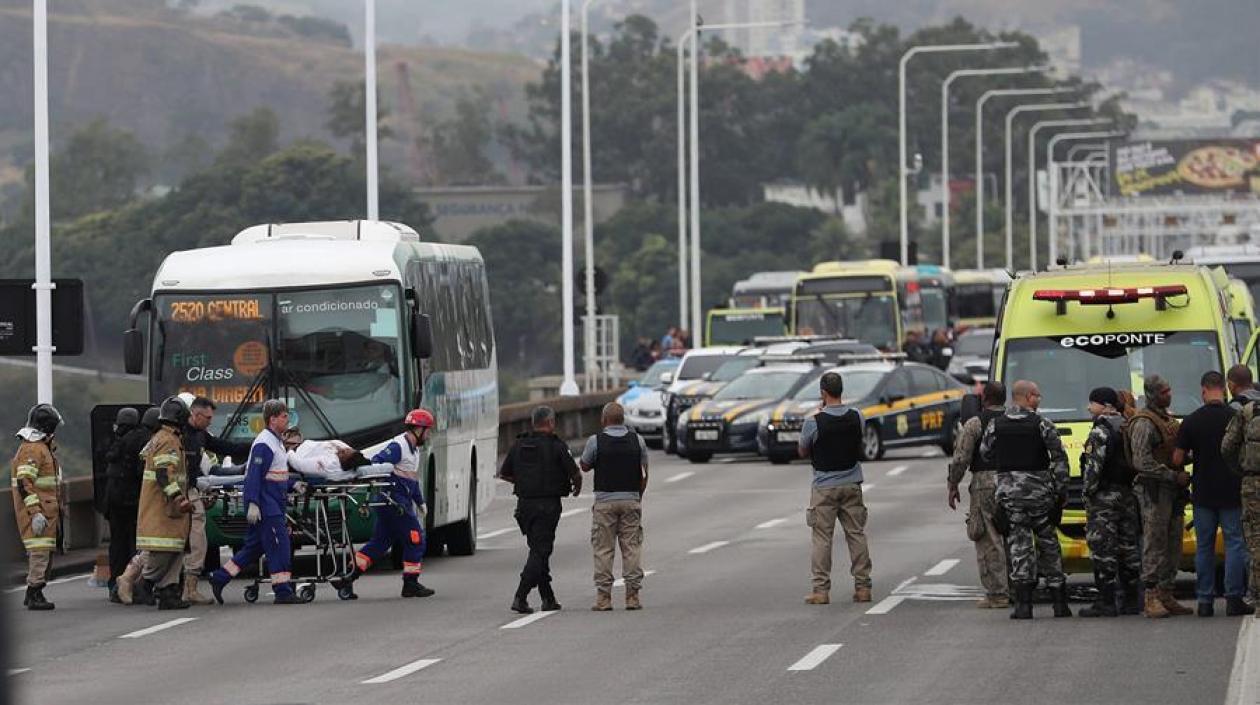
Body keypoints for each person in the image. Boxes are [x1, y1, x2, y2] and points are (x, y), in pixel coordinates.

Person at [209, 400, 318, 605]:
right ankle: (283, 591)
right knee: (280, 545)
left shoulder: (275, 442)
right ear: (273, 419)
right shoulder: (264, 443)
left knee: (254, 547)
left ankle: (220, 577)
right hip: (267, 506)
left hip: (272, 502)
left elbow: (275, 475)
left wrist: (294, 485)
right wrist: (252, 503)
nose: (288, 420)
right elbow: (254, 476)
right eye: (285, 416)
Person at [979, 380, 1071, 619]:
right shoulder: (1042, 424)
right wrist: (1061, 492)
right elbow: (1060, 458)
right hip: (1041, 496)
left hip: (1011, 497)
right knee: (1049, 545)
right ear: (1029, 397)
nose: (1040, 400)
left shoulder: (995, 425)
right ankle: (1060, 604)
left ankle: (1024, 605)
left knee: (1020, 546)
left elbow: (985, 453)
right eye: (1038, 396)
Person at [1174, 371, 1253, 617]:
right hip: (1232, 491)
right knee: (1235, 544)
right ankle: (1233, 598)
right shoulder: (1236, 417)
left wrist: (1191, 457)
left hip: (1203, 494)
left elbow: (1177, 458)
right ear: (1225, 388)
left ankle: (1205, 601)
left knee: (1204, 547)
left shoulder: (1192, 421)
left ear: (1203, 390)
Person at [343, 409, 438, 600]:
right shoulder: (398, 446)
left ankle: (347, 577)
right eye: (427, 430)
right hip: (393, 503)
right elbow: (376, 464)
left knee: (379, 544)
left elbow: (411, 480)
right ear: (418, 429)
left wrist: (420, 502)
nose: (428, 434)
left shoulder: (414, 451)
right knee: (416, 540)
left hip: (398, 502)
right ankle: (411, 584)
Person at [498, 406, 582, 614]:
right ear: (551, 423)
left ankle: (548, 598)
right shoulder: (557, 446)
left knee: (538, 550)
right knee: (540, 551)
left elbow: (504, 473)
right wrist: (576, 489)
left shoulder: (519, 444)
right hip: (548, 506)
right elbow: (575, 474)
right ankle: (521, 595)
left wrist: (525, 482)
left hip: (525, 506)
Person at [799, 371, 873, 605]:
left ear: (823, 393)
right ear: (841, 391)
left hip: (824, 486)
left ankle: (820, 591)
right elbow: (858, 439)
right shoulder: (856, 416)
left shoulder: (814, 421)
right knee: (856, 534)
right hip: (852, 483)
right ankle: (863, 588)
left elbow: (802, 450)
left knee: (822, 539)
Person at [1126, 374, 1193, 618]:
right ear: (1153, 394)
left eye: (1169, 390)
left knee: (1173, 542)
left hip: (1173, 491)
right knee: (1154, 543)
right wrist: (1171, 476)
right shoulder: (1144, 423)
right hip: (1154, 490)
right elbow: (1141, 461)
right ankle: (1151, 595)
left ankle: (1167, 592)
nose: (1169, 394)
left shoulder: (1168, 420)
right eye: (1164, 391)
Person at [178, 394, 251, 605]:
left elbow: (224, 447)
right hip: (179, 492)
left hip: (190, 490)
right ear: (196, 414)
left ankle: (188, 588)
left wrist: (254, 445)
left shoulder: (200, 434)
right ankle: (133, 578)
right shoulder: (181, 435)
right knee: (176, 543)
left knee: (194, 541)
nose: (210, 422)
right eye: (208, 418)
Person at [1077, 387, 1142, 618]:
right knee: (1128, 547)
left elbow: (1094, 468)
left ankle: (1106, 601)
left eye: (1092, 403)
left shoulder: (1100, 430)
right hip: (1127, 493)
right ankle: (1132, 600)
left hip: (1104, 497)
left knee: (1103, 547)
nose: (1088, 408)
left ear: (1105, 405)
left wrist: (1087, 494)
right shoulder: (1127, 425)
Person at [580, 402, 649, 611]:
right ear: (623, 420)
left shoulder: (595, 441)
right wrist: (637, 497)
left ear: (604, 420)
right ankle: (632, 596)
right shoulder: (638, 441)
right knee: (631, 548)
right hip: (631, 500)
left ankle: (603, 598)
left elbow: (584, 465)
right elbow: (644, 473)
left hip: (604, 502)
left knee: (603, 549)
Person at [946, 381, 1009, 609]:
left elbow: (961, 458)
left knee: (988, 538)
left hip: (985, 483)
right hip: (1015, 481)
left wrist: (953, 485)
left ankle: (997, 594)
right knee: (1016, 536)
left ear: (985, 399)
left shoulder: (974, 424)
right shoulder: (1015, 419)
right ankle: (1021, 587)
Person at [135, 397, 196, 610]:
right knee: (163, 551)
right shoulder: (168, 441)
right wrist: (179, 498)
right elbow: (163, 475)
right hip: (166, 507)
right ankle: (145, 585)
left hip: (171, 509)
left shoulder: (166, 438)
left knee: (176, 550)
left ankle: (168, 592)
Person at [11, 404, 64, 611]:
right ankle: (34, 592)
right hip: (39, 512)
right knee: (39, 553)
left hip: (46, 511)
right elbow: (25, 482)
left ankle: (34, 591)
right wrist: (35, 513)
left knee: (43, 553)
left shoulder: (40, 447)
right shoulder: (33, 448)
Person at [1220, 378, 1260, 618]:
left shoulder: (1244, 413)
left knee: (1254, 540)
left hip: (1252, 483)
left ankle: (1256, 595)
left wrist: (1241, 470)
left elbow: (1226, 447)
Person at [115, 407, 161, 605]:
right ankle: (136, 581)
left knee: (124, 545)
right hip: (144, 500)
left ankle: (128, 581)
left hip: (121, 500)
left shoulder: (121, 440)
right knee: (154, 545)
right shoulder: (151, 441)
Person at [104, 407, 149, 603]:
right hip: (133, 501)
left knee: (117, 545)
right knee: (135, 545)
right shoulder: (140, 439)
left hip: (113, 502)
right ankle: (133, 585)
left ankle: (115, 585)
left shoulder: (116, 442)